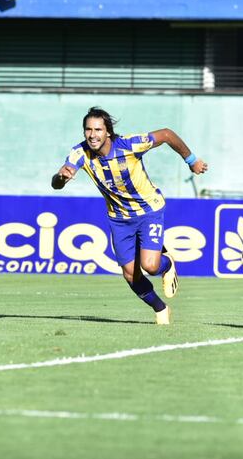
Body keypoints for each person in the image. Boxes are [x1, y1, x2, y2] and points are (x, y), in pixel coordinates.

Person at [51, 107, 207, 325]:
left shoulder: (129, 145)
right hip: (119, 219)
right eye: (88, 129)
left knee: (151, 266)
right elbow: (57, 182)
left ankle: (167, 264)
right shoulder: (80, 153)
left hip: (148, 211)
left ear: (108, 132)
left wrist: (191, 160)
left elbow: (167, 134)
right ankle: (160, 308)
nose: (92, 134)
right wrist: (61, 177)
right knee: (130, 275)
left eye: (98, 129)